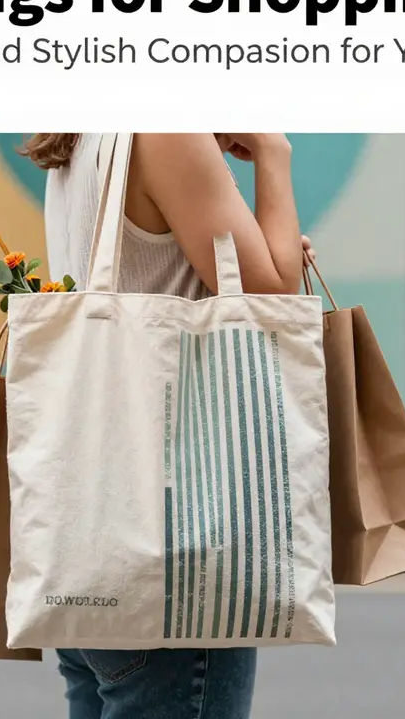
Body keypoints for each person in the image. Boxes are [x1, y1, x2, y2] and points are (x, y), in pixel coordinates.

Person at [21, 132, 315, 719]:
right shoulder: (167, 130)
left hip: (91, 529)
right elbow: (275, 299)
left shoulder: (83, 134)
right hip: (176, 534)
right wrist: (274, 157)